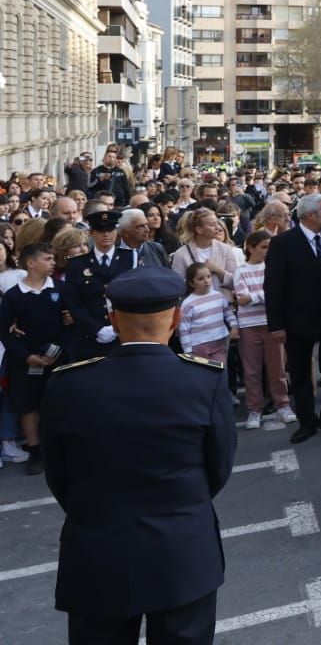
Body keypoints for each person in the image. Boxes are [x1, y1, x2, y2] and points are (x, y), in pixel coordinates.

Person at [42, 264, 237, 643]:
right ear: (177, 317)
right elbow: (218, 468)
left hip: (97, 546)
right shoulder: (204, 380)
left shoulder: (69, 384)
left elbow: (59, 474)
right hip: (182, 548)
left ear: (113, 319)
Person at [265, 194, 321, 444]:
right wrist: (276, 325)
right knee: (299, 374)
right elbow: (273, 286)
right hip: (297, 320)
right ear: (310, 216)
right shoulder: (283, 243)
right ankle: (307, 422)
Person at [1, 242, 67, 474]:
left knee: (58, 403)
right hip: (27, 361)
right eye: (48, 259)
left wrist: (61, 351)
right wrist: (27, 356)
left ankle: (59, 449)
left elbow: (69, 323)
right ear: (31, 263)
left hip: (58, 358)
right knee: (28, 405)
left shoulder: (59, 288)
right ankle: (35, 449)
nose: (53, 263)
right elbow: (5, 332)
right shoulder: (14, 296)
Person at [234, 228, 294, 430]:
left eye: (270, 247)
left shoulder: (273, 267)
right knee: (252, 371)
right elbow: (242, 300)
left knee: (277, 369)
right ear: (250, 248)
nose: (267, 251)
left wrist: (257, 296)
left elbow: (279, 294)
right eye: (263, 247)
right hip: (248, 327)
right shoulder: (240, 270)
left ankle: (283, 405)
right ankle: (254, 409)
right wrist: (266, 294)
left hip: (272, 324)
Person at [60, 209, 127, 361]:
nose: (106, 234)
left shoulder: (130, 258)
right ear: (91, 233)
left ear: (116, 231)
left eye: (110, 229)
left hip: (123, 335)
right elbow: (74, 302)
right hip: (88, 336)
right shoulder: (76, 264)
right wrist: (97, 329)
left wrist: (118, 328)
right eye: (100, 230)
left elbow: (135, 297)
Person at [178, 261, 237, 365]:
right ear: (191, 283)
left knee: (221, 372)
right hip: (199, 345)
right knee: (203, 375)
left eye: (208, 276)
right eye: (200, 279)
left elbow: (228, 313)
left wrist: (234, 326)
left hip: (220, 341)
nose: (206, 281)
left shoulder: (219, 296)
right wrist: (188, 351)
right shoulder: (188, 303)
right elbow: (184, 329)